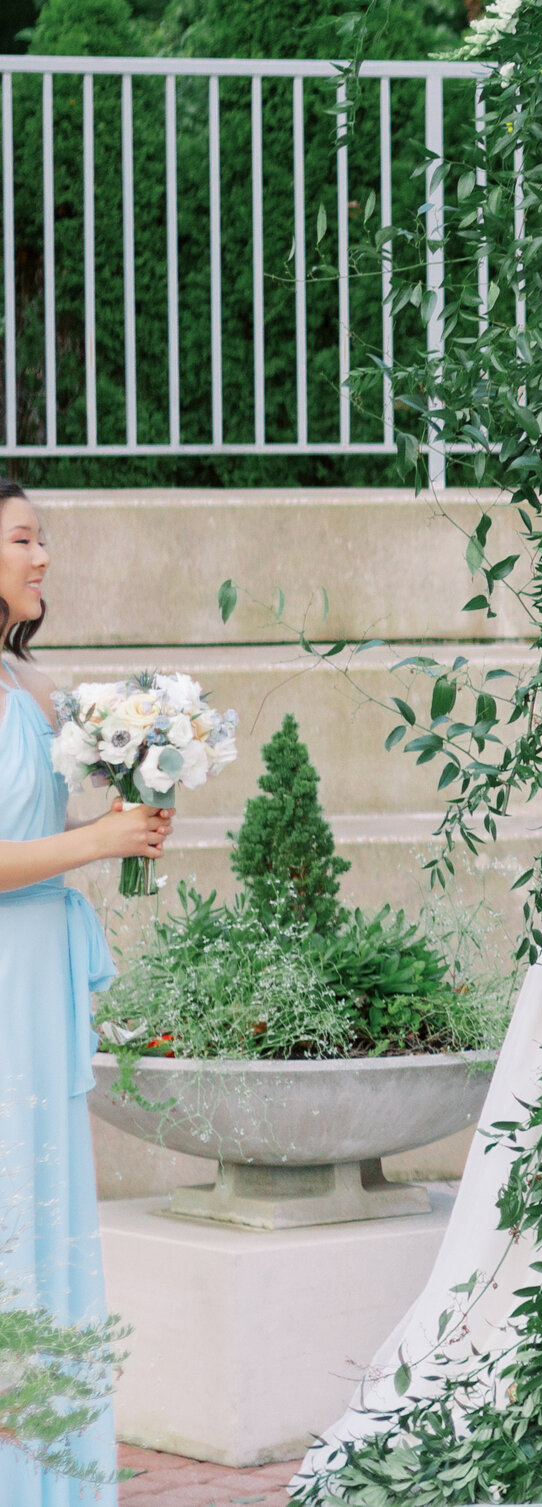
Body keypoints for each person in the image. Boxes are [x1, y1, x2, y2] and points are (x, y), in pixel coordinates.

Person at [0, 480, 173, 1507]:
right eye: (23, 538)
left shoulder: (30, 679)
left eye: (42, 539)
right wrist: (96, 841)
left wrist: (145, 802)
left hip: (38, 977)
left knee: (45, 1206)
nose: (43, 558)